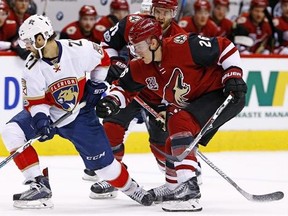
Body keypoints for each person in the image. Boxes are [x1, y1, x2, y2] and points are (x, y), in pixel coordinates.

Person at [1, 14, 153, 209]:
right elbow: (37, 102)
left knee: (106, 169)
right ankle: (39, 185)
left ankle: (132, 189)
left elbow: (103, 59)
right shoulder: (32, 68)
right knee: (11, 132)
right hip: (50, 115)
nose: (27, 47)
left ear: (41, 38)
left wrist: (96, 84)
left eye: (29, 42)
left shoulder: (79, 49)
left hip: (80, 116)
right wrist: (41, 121)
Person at [96, 17, 247, 212]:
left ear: (152, 42)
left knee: (178, 118)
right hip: (193, 103)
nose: (135, 52)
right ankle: (174, 186)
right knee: (172, 141)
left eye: (138, 46)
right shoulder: (141, 65)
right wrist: (112, 101)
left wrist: (233, 74)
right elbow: (124, 88)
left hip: (222, 95)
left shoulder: (183, 45)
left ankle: (189, 190)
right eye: (132, 47)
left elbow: (225, 47)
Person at [89, 0, 191, 199]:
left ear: (174, 13)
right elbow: (107, 43)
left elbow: (180, 77)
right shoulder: (132, 22)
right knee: (112, 125)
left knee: (161, 146)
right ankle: (114, 177)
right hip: (129, 86)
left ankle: (179, 170)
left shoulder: (180, 38)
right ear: (151, 10)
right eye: (158, 11)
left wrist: (169, 104)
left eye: (166, 12)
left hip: (157, 95)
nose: (161, 16)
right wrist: (115, 62)